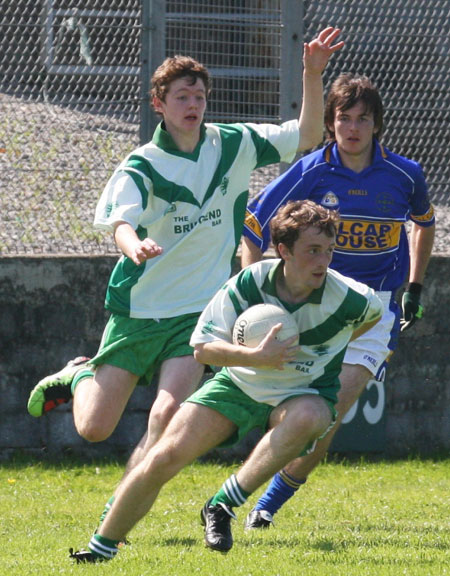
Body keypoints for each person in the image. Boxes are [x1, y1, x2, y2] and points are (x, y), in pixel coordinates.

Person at [27, 29, 344, 525]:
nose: (193, 103)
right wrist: (136, 246)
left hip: (197, 309)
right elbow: (121, 222)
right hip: (140, 310)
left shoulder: (232, 144)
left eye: (199, 95)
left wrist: (311, 75)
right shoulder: (143, 165)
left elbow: (305, 137)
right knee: (92, 428)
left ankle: (122, 503)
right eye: (182, 96)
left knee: (167, 414)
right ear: (160, 103)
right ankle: (80, 372)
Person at [69, 200, 383, 562]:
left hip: (302, 392)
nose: (323, 261)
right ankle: (100, 549)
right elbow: (202, 348)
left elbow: (372, 318)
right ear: (283, 250)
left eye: (328, 251)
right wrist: (254, 358)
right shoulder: (250, 283)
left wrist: (323, 351)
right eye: (312, 251)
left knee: (312, 417)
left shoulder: (349, 297)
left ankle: (222, 505)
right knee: (163, 456)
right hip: (238, 384)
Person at [240, 73, 436, 529]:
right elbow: (253, 225)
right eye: (343, 118)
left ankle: (265, 506)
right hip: (312, 309)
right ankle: (237, 494)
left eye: (362, 119)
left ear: (376, 124)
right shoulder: (311, 171)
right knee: (298, 417)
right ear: (330, 123)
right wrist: (255, 290)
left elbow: (423, 224)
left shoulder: (406, 174)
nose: (352, 128)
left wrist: (415, 286)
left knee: (327, 416)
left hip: (375, 312)